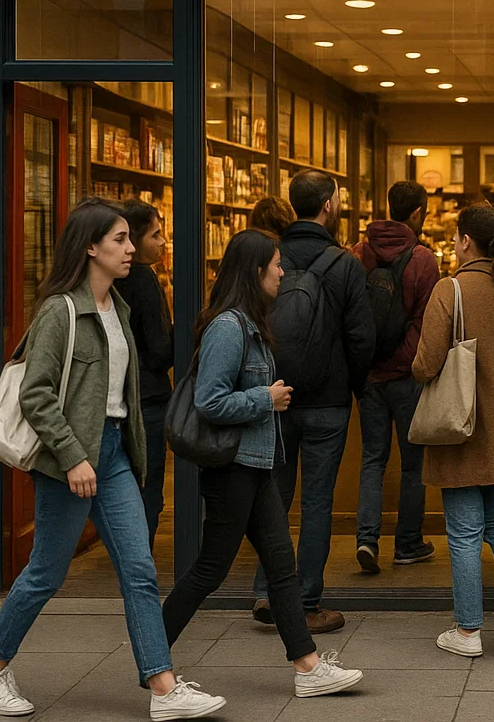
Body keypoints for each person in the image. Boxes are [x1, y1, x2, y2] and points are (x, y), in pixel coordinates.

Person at [0, 198, 226, 720]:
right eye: (120, 239)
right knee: (45, 575)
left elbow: (120, 395)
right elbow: (36, 394)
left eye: (128, 238)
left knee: (139, 569)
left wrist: (120, 451)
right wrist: (75, 457)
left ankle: (163, 688)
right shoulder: (61, 310)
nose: (130, 248)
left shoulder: (117, 307)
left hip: (116, 451)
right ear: (91, 247)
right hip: (67, 460)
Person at [161, 228, 364, 700]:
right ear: (255, 271)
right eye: (275, 264)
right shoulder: (229, 328)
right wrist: (264, 398)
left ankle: (308, 666)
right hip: (233, 467)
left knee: (281, 569)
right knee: (210, 569)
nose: (282, 271)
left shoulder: (250, 323)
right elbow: (210, 401)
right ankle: (150, 651)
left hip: (254, 466)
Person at [413, 203, 494, 661]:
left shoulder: (451, 290)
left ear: (465, 241)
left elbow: (426, 363)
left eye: (455, 237)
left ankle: (468, 631)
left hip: (463, 431)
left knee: (465, 532)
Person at [253, 171, 375, 634]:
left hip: (274, 394)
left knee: (274, 498)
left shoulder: (269, 256)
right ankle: (304, 601)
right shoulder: (344, 263)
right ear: (328, 205)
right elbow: (361, 337)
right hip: (327, 400)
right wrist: (353, 386)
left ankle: (266, 591)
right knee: (318, 503)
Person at [352, 180, 441, 574]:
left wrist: (366, 361)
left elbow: (352, 315)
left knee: (372, 458)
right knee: (412, 463)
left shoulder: (359, 252)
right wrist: (409, 362)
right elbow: (426, 323)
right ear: (418, 212)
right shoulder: (423, 259)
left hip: (370, 374)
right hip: (407, 376)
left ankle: (366, 539)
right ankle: (407, 543)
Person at [114, 199, 173, 550]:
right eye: (156, 234)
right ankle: (139, 554)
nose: (164, 241)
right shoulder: (142, 278)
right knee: (148, 485)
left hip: (119, 395)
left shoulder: (112, 277)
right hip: (147, 397)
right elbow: (160, 350)